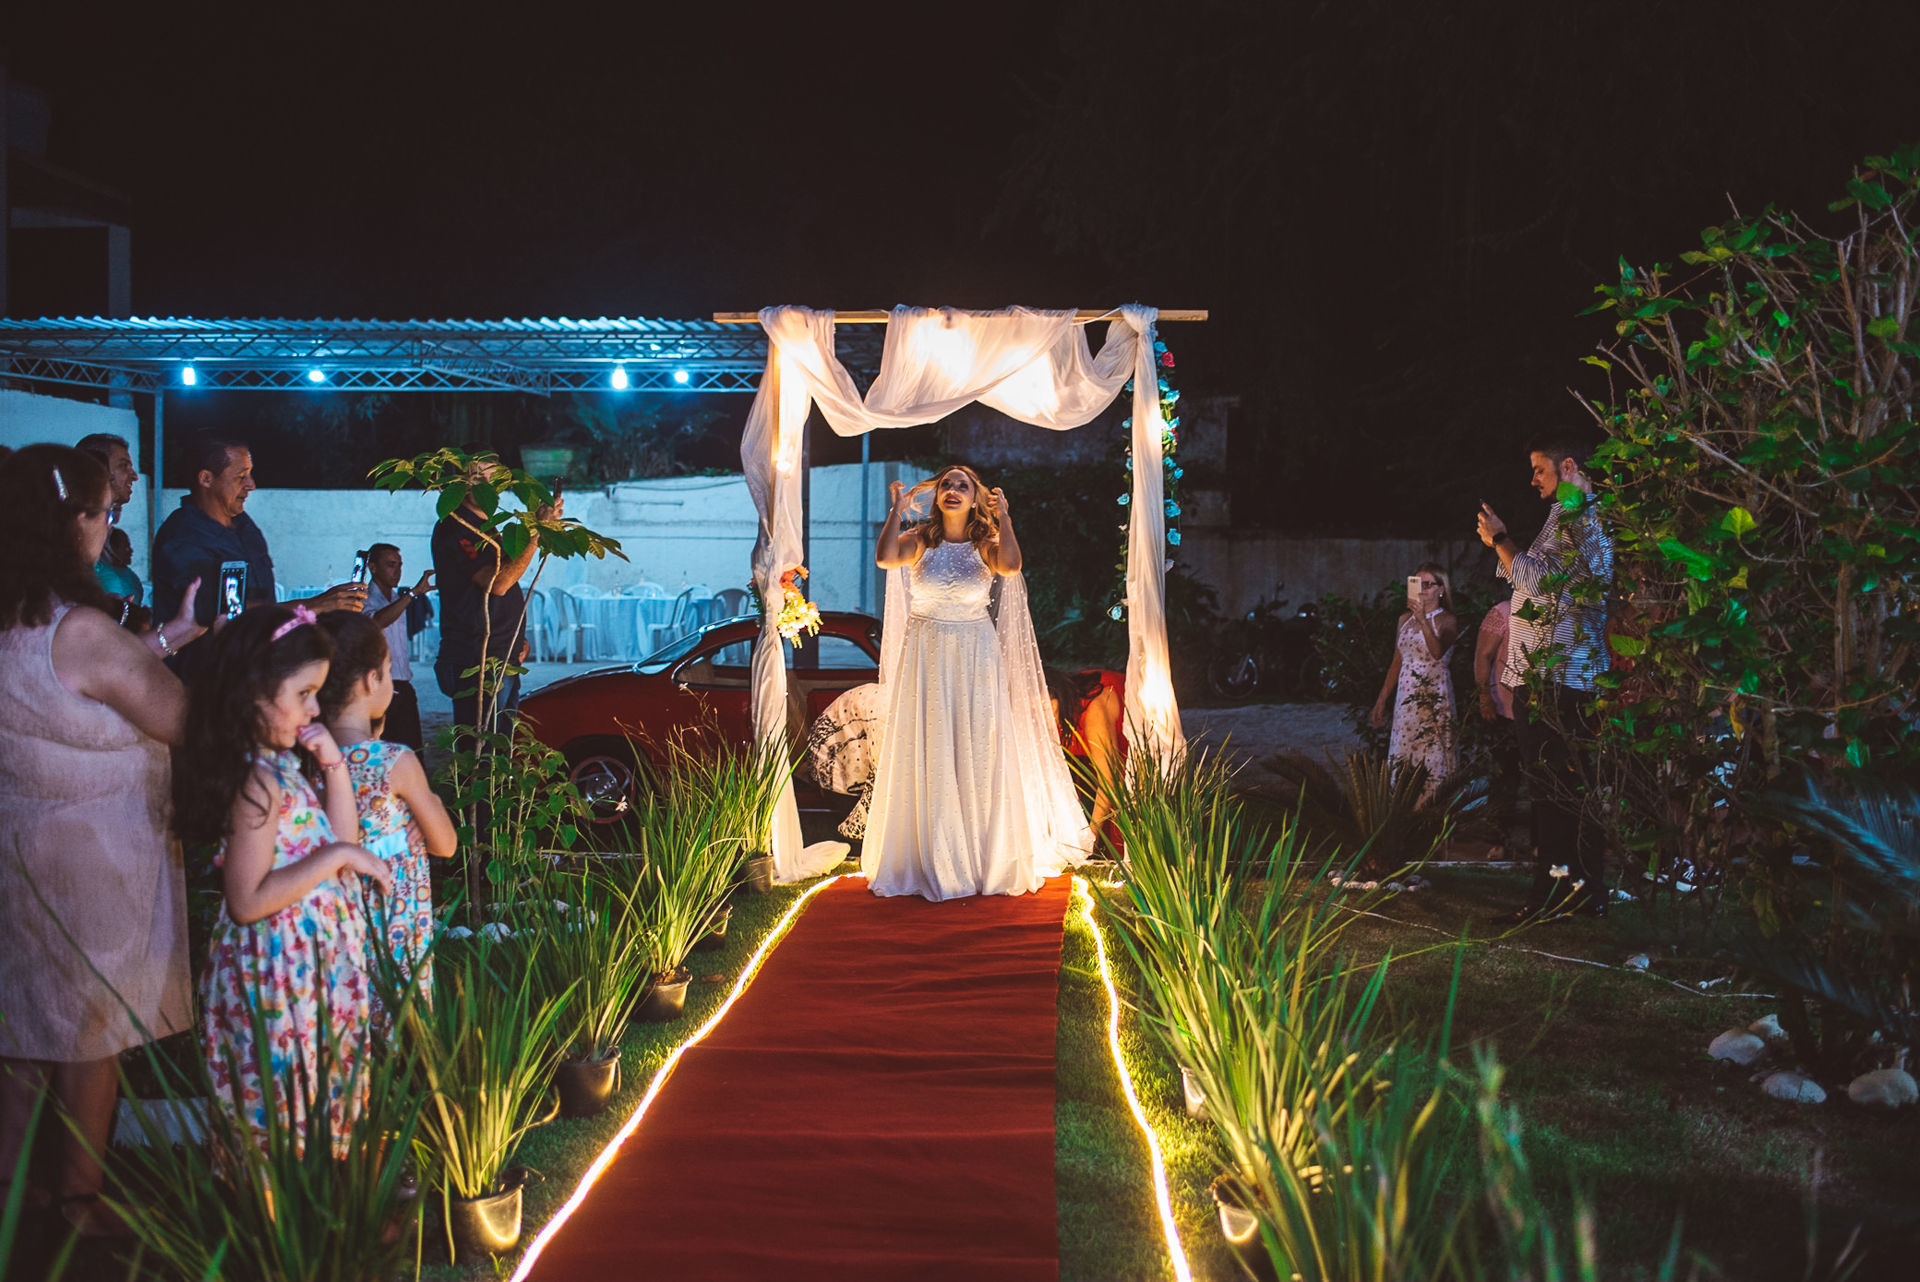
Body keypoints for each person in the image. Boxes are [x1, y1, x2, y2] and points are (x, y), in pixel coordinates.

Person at [0, 444, 193, 1237]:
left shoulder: (15, 617)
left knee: (17, 1028)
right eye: (103, 514)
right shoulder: (78, 629)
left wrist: (164, 638)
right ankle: (81, 1200)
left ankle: (15, 1190)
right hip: (94, 860)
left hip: (18, 844)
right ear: (70, 522)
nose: (107, 527)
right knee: (90, 1033)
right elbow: (183, 718)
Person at [173, 606, 393, 1155]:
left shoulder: (282, 766)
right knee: (281, 1109)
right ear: (254, 692)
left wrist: (333, 765)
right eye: (304, 694)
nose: (315, 709)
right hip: (276, 972)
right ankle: (276, 1222)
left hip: (307, 967)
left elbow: (342, 837)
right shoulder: (256, 782)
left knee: (315, 1098)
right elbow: (247, 900)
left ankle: (318, 1207)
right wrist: (339, 854)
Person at [862, 465, 1089, 901]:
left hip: (974, 653)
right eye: (946, 484)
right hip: (926, 652)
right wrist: (896, 511)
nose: (952, 490)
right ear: (938, 495)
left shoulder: (986, 544)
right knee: (930, 745)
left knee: (976, 746)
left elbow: (1012, 566)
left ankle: (982, 856)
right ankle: (929, 854)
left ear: (974, 498)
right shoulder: (919, 541)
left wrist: (1004, 518)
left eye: (962, 486)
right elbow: (885, 557)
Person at [1477, 437, 1614, 921]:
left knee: (1555, 792)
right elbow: (1531, 576)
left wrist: (1500, 538)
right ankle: (1574, 892)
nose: (1532, 479)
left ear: (1568, 466)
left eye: (1539, 469)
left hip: (1560, 680)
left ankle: (1559, 895)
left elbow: (1539, 582)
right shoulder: (1565, 517)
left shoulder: (1581, 517)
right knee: (1556, 792)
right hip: (1546, 678)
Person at [316, 611, 456, 1002]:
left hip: (333, 927)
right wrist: (429, 807)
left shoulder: (306, 761)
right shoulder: (393, 762)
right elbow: (445, 844)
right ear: (369, 680)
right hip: (393, 929)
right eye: (389, 669)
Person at [150, 437, 366, 675]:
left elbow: (264, 602)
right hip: (204, 683)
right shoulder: (182, 535)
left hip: (254, 674)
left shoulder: (244, 526)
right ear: (206, 479)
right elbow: (219, 611)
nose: (251, 485)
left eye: (250, 474)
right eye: (241, 477)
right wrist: (316, 605)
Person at [432, 452, 556, 735]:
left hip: (500, 655)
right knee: (481, 752)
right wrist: (536, 532)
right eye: (477, 477)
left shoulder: (487, 526)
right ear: (459, 482)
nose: (487, 485)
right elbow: (498, 583)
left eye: (494, 477)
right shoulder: (455, 527)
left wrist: (515, 637)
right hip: (476, 659)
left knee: (499, 749)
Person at [1369, 563, 1459, 800]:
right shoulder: (1403, 620)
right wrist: (1381, 699)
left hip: (1433, 697)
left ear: (1441, 589)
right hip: (1406, 699)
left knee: (1432, 756)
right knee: (1405, 754)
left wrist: (1423, 621)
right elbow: (1397, 661)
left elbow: (1437, 652)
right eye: (1418, 584)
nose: (1422, 590)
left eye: (1427, 584)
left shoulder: (1447, 620)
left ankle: (1434, 819)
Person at [360, 543, 434, 751]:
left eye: (400, 565)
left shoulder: (396, 598)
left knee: (411, 751)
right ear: (373, 568)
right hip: (378, 687)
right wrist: (411, 595)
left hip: (403, 684)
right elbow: (376, 622)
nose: (397, 571)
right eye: (391, 565)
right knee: (383, 753)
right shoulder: (363, 598)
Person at [1044, 667, 1126, 834]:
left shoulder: (1094, 713)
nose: (1042, 719)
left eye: (1044, 708)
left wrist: (1091, 837)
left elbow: (1109, 781)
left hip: (1123, 743)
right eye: (1034, 711)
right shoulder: (1050, 715)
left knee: (1121, 823)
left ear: (1058, 695)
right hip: (1079, 725)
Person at [1472, 599, 1522, 853]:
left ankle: (1541, 845)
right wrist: (1484, 696)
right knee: (1505, 777)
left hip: (1540, 709)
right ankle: (1498, 840)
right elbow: (1483, 655)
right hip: (1504, 706)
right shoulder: (1503, 611)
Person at [74, 432, 143, 609]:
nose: (134, 476)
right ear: (98, 468)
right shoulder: (75, 534)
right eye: (124, 466)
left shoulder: (107, 535)